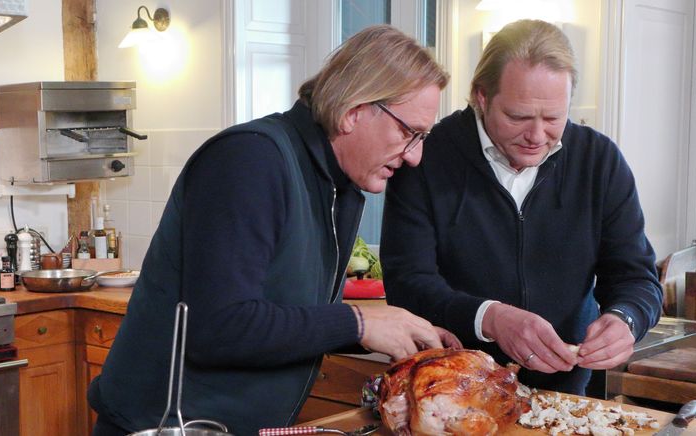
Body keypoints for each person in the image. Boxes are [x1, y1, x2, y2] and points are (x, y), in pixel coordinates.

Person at [88, 25, 461, 436]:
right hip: (167, 426)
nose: (416, 156)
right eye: (410, 133)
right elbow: (219, 329)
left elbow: (290, 314)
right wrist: (358, 323)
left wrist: (389, 327)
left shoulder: (341, 185)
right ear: (354, 112)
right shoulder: (250, 159)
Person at [381, 19, 663, 396]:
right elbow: (407, 285)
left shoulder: (599, 160)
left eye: (553, 118)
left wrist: (626, 318)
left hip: (566, 393)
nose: (536, 136)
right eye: (518, 116)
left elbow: (636, 278)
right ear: (481, 96)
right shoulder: (425, 156)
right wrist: (490, 317)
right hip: (449, 391)